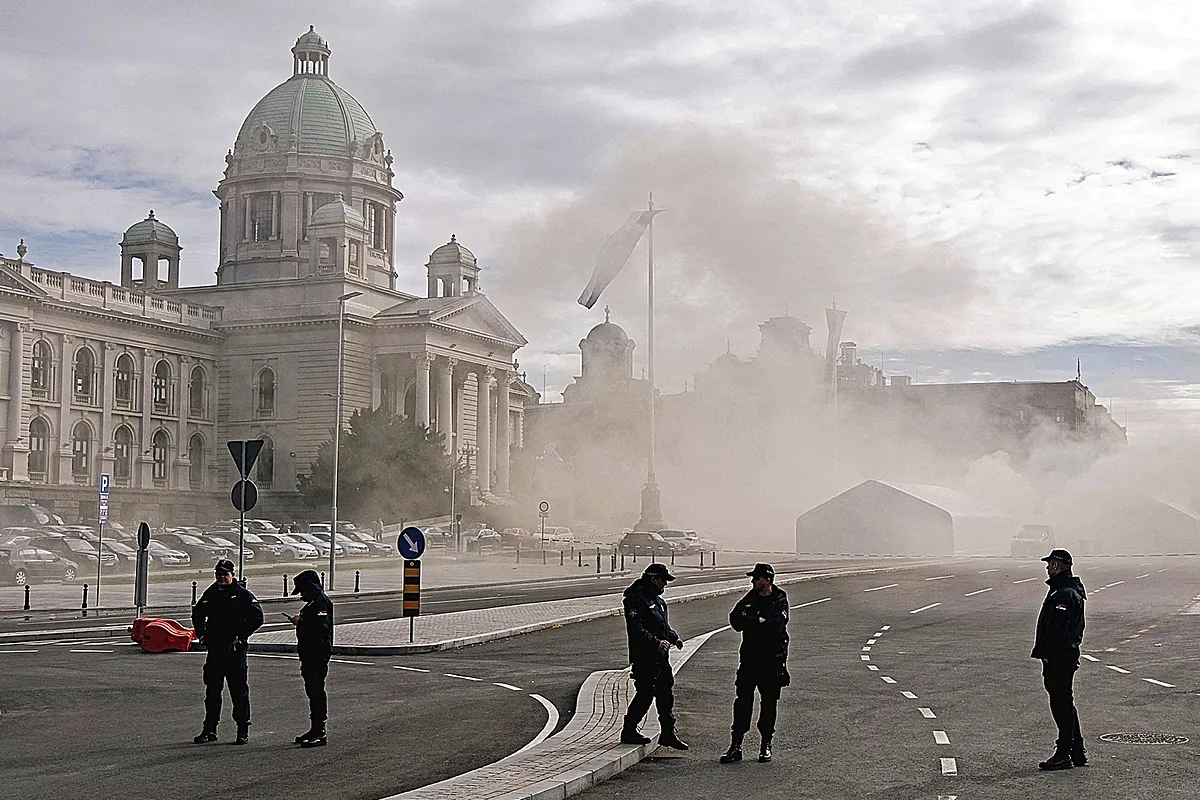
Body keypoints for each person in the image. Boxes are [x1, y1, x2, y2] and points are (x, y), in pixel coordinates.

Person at [721, 563, 790, 764]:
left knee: (768, 704)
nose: (753, 581)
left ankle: (765, 744)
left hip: (772, 661)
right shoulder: (750, 598)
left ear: (767, 580)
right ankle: (736, 746)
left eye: (756, 578)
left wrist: (754, 621)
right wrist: (756, 621)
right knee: (742, 703)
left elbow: (777, 624)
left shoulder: (779, 598)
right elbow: (735, 620)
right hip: (749, 660)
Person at [192, 559, 264, 745]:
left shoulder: (242, 594)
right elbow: (198, 613)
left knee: (239, 692)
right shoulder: (211, 593)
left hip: (234, 651)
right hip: (215, 651)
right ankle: (209, 730)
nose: (221, 577)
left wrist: (241, 635)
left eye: (225, 574)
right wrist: (202, 634)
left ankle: (242, 730)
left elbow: (257, 617)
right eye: (219, 574)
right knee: (212, 692)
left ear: (233, 575)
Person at [620, 563, 688, 750]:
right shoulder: (636, 599)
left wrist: (673, 638)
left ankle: (668, 733)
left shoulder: (658, 601)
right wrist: (655, 642)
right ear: (653, 579)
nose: (665, 584)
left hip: (660, 656)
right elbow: (636, 628)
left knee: (665, 693)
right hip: (644, 657)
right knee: (645, 694)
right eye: (663, 580)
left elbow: (661, 626)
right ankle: (629, 730)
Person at [1031, 548, 1087, 770]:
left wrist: (1047, 655)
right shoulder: (1066, 590)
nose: (1047, 568)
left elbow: (1057, 630)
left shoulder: (1063, 594)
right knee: (1065, 703)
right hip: (1065, 655)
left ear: (1056, 565)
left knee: (1061, 704)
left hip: (1060, 658)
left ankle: (1064, 753)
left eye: (1049, 564)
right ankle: (1076, 750)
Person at [287, 569, 334, 747]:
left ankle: (320, 730)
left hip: (317, 654)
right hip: (309, 654)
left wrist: (301, 622)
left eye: (303, 591)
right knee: (312, 691)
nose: (301, 595)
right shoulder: (313, 603)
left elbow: (320, 628)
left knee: (316, 691)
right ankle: (314, 727)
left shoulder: (320, 602)